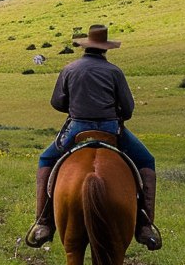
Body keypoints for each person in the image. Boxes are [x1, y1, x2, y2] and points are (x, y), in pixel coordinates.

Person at [25, 24, 161, 250]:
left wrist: (77, 107)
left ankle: (44, 222)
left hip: (77, 128)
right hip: (110, 129)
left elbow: (57, 103)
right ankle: (145, 225)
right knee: (146, 161)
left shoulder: (69, 69)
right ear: (105, 49)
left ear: (85, 47)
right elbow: (127, 109)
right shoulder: (115, 72)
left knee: (46, 160)